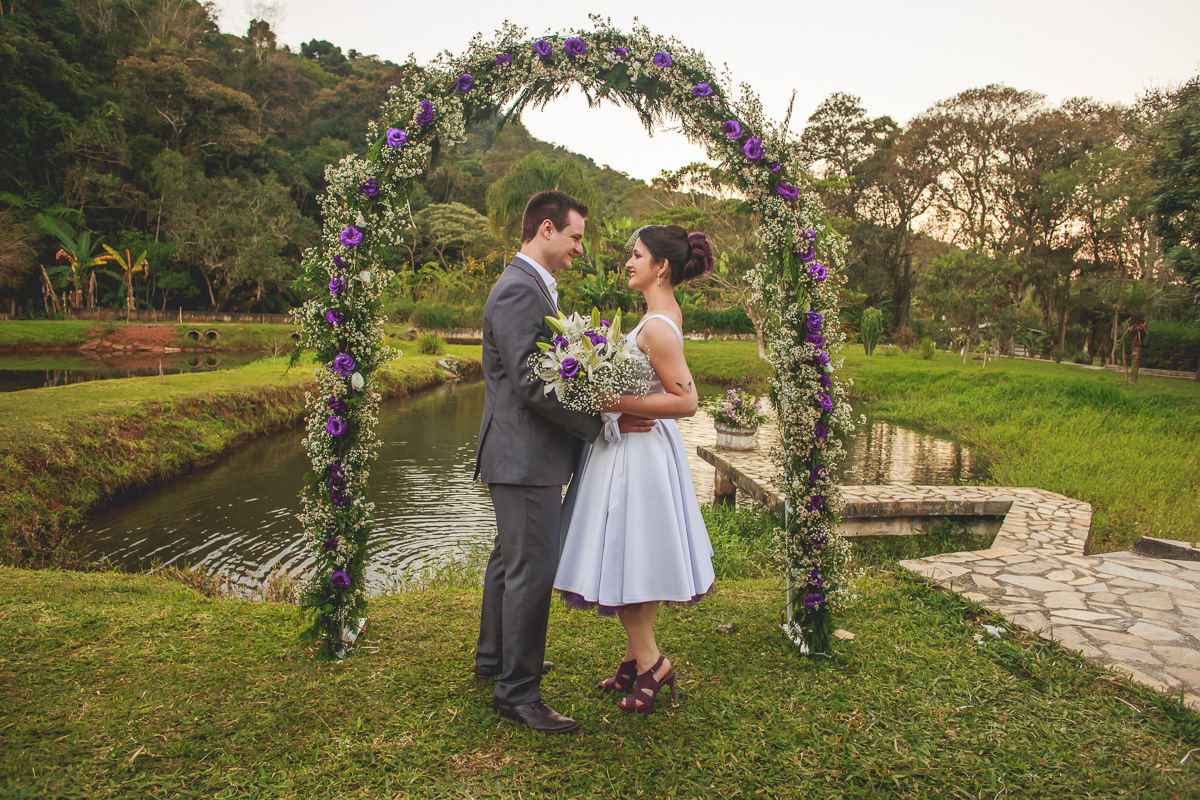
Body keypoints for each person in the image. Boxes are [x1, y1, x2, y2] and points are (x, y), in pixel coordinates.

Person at [473, 190, 654, 734]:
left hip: (522, 454)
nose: (580, 248)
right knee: (530, 570)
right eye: (575, 236)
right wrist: (601, 420)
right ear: (547, 229)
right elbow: (532, 384)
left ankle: (494, 657)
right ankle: (518, 692)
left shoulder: (530, 286)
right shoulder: (518, 290)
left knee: (509, 560)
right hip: (524, 455)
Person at [553, 224, 717, 715]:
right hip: (634, 448)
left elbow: (686, 401)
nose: (628, 262)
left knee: (625, 556)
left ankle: (653, 663)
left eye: (638, 255)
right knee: (636, 557)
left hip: (639, 456)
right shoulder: (657, 316)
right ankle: (631, 661)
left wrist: (613, 401)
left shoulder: (658, 327)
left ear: (661, 266)